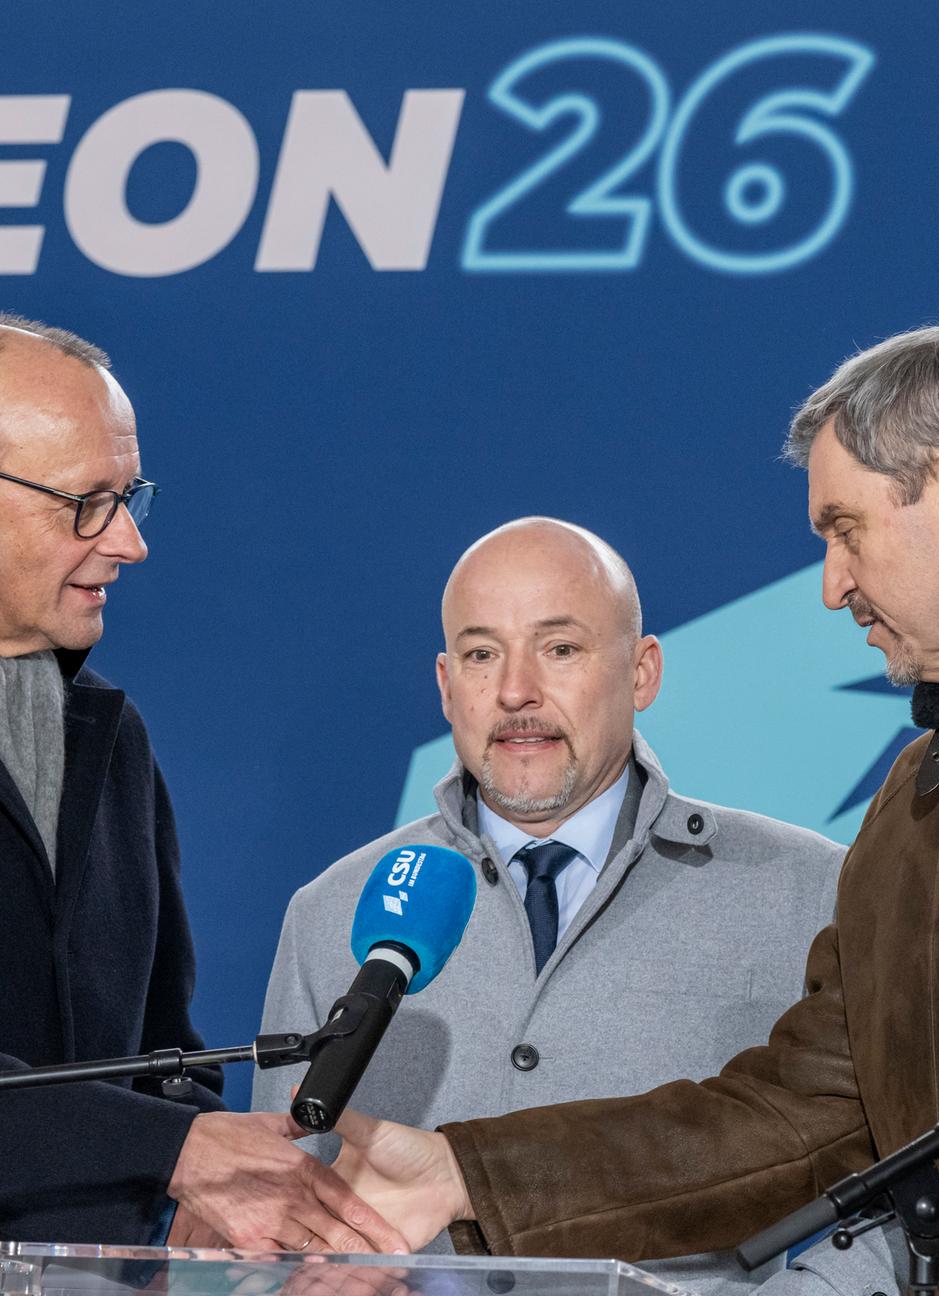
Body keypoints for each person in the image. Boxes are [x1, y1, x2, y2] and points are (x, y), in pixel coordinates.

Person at [328, 323, 939, 1293]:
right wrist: (464, 1172)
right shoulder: (908, 819)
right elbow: (792, 1122)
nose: (832, 587)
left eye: (846, 529)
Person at [0, 313, 405, 1256]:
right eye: (85, 502)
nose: (129, 542)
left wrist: (199, 1210)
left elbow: (163, 1053)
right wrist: (176, 1155)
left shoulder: (111, 735)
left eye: (130, 498)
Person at [254, 517, 844, 1288]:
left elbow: (879, 1195)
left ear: (642, 672)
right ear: (444, 685)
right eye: (480, 654)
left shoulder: (807, 890)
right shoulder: (332, 912)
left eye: (559, 649)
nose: (514, 692)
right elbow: (279, 1207)